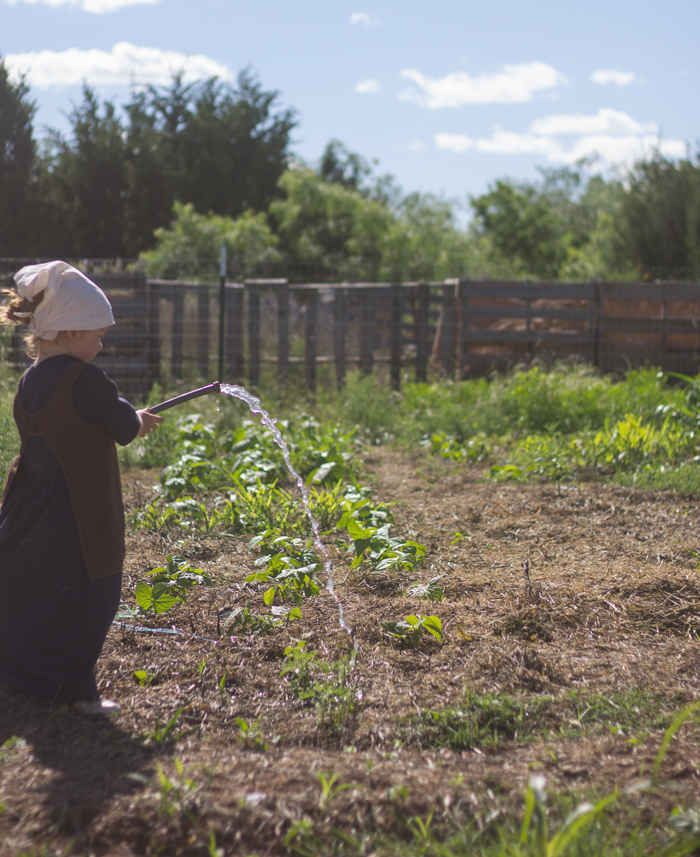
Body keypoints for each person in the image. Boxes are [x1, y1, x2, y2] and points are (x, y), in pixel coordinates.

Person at [0, 261, 163, 715]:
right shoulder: (85, 379)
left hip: (29, 504)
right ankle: (73, 691)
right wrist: (138, 419)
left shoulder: (30, 378)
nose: (101, 342)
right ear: (70, 334)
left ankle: (21, 671)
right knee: (93, 590)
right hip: (79, 509)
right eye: (96, 334)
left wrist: (128, 417)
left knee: (30, 584)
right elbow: (123, 427)